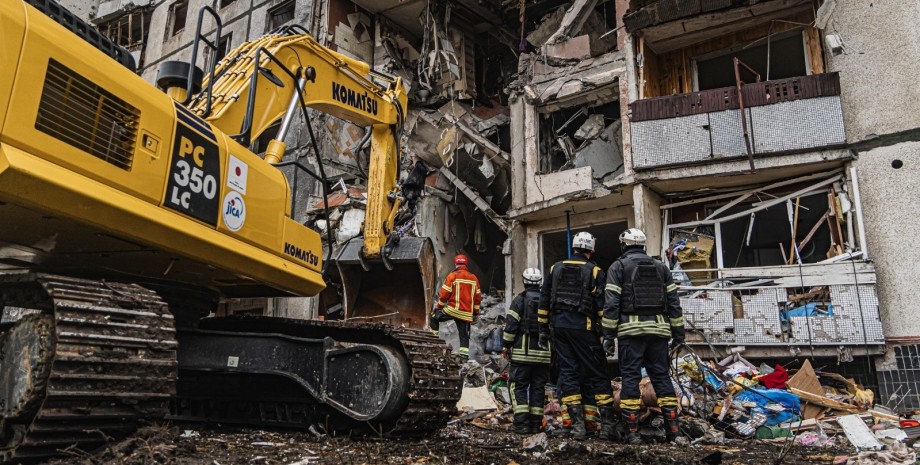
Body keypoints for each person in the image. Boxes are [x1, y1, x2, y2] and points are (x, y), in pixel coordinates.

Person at [602, 228, 685, 444]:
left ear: (624, 245)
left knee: (630, 378)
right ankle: (673, 432)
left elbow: (611, 304)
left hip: (631, 333)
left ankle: (633, 433)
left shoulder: (618, 267)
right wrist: (679, 334)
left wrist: (608, 336)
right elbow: (674, 304)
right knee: (661, 378)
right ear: (643, 246)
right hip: (659, 333)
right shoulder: (661, 268)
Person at [538, 232, 616, 441]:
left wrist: (543, 330)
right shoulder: (595, 270)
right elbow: (602, 305)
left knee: (569, 374)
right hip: (585, 329)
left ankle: (577, 427)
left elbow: (544, 300)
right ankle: (607, 426)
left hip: (559, 329)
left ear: (573, 248)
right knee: (598, 374)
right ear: (591, 250)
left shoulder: (555, 268)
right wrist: (607, 334)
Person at [502, 267, 551, 434]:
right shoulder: (548, 301)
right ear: (540, 282)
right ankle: (535, 424)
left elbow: (510, 327)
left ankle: (520, 423)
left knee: (518, 386)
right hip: (544, 355)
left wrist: (506, 346)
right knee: (538, 388)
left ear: (524, 281)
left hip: (523, 354)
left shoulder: (519, 300)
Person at [430, 254, 482, 358]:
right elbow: (477, 299)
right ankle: (463, 358)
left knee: (433, 318)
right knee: (464, 335)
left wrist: (438, 308)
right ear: (466, 264)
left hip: (452, 310)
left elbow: (444, 295)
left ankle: (432, 343)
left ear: (455, 264)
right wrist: (475, 314)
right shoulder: (474, 278)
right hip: (466, 313)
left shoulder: (452, 276)